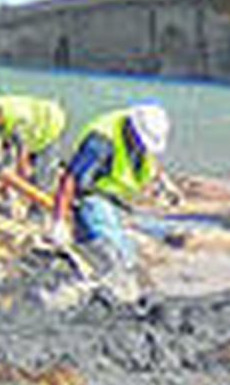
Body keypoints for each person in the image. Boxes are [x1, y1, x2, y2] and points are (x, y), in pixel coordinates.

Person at [51, 102, 178, 268]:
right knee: (111, 249)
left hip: (118, 200)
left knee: (153, 237)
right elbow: (71, 178)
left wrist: (164, 182)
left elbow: (148, 158)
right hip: (92, 198)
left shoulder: (137, 136)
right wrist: (59, 222)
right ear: (133, 130)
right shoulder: (100, 142)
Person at [0, 92, 67, 190]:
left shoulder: (17, 122)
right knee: (31, 162)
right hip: (34, 127)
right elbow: (7, 149)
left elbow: (23, 152)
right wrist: (5, 179)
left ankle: (47, 190)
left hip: (51, 122)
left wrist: (18, 178)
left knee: (43, 170)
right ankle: (53, 175)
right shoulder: (0, 116)